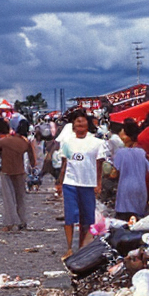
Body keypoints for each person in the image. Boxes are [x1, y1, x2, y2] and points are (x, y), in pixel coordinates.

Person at [56, 109, 103, 258]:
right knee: (70, 217)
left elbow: (99, 165)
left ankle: (84, 246)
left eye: (83, 120)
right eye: (77, 121)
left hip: (88, 183)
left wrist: (98, 183)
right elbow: (65, 164)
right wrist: (59, 182)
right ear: (73, 125)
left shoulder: (97, 142)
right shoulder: (67, 142)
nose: (80, 123)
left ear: (87, 124)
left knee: (87, 218)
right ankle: (69, 247)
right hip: (70, 183)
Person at [0, 119, 32, 231]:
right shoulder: (25, 142)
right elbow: (33, 160)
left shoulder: (3, 141)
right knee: (20, 198)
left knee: (9, 199)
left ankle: (11, 223)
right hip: (20, 171)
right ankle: (22, 221)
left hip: (7, 171)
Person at [114, 120, 149, 220]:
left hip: (125, 189)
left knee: (124, 219)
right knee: (137, 218)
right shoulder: (142, 152)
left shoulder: (120, 152)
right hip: (141, 188)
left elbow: (114, 174)